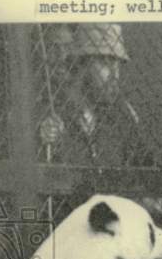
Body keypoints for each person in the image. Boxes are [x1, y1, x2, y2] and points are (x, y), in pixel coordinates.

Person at [38, 23, 153, 169]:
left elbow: (148, 166)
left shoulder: (120, 116)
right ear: (80, 64)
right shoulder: (54, 113)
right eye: (106, 62)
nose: (114, 75)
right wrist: (44, 143)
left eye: (117, 65)